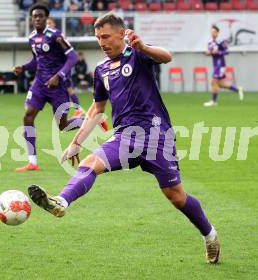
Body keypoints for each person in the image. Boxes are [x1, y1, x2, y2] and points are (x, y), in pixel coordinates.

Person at [27, 12, 221, 264]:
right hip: (124, 137)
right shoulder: (101, 69)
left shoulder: (138, 54)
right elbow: (97, 109)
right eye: (98, 38)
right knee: (89, 164)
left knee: (176, 196)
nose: (102, 42)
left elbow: (167, 56)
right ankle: (61, 201)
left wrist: (144, 46)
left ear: (121, 33)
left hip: (156, 136)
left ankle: (210, 235)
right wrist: (76, 142)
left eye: (106, 36)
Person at [13, 3, 84, 172]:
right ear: (31, 20)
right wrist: (23, 67)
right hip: (39, 84)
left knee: (63, 125)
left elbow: (73, 58)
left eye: (40, 16)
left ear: (46, 19)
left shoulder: (55, 36)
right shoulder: (31, 38)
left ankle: (88, 120)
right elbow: (37, 61)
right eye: (34, 16)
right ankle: (33, 162)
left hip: (57, 87)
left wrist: (59, 76)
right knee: (28, 116)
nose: (37, 19)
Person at [204, 25, 243, 107]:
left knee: (213, 81)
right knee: (220, 84)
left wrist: (218, 52)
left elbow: (227, 52)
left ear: (218, 33)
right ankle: (238, 89)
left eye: (214, 32)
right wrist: (207, 53)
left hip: (220, 64)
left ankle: (213, 101)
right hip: (215, 64)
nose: (213, 34)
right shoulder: (210, 42)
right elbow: (210, 52)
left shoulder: (221, 41)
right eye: (212, 32)